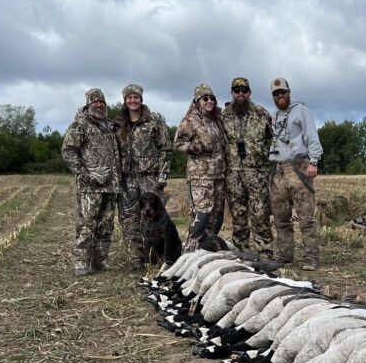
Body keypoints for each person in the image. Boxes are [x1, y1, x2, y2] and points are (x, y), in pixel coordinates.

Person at [62, 88, 122, 276]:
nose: (99, 105)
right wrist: (86, 175)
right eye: (95, 102)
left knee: (106, 226)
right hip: (90, 187)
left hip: (111, 186)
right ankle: (81, 262)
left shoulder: (109, 127)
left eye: (102, 102)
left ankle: (99, 262)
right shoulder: (79, 125)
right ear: (88, 104)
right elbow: (68, 151)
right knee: (87, 225)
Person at [115, 83, 172, 270]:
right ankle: (136, 259)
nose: (133, 100)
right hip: (127, 178)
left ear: (141, 99)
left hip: (150, 177)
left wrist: (162, 175)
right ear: (125, 100)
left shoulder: (154, 121)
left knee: (153, 218)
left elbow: (166, 148)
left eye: (136, 97)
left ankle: (158, 257)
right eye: (129, 97)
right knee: (129, 219)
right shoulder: (117, 125)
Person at [268, 77, 323, 270]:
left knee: (306, 216)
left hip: (299, 166)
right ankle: (285, 255)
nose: (279, 96)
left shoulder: (301, 111)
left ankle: (310, 257)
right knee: (281, 217)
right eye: (275, 94)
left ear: (289, 92)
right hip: (278, 170)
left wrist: (313, 161)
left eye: (282, 92)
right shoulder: (275, 117)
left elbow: (312, 136)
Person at [221, 76, 274, 260]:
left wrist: (263, 154)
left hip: (257, 172)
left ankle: (265, 253)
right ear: (232, 93)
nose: (241, 94)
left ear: (250, 93)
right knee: (238, 216)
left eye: (244, 90)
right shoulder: (223, 116)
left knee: (260, 214)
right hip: (233, 173)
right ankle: (241, 253)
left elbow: (272, 138)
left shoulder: (262, 114)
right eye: (237, 91)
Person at [173, 83, 228, 251]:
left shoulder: (216, 120)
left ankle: (205, 253)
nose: (209, 101)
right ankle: (189, 253)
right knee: (201, 216)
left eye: (212, 98)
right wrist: (198, 146)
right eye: (205, 98)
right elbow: (178, 143)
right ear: (197, 101)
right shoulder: (190, 120)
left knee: (216, 218)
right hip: (200, 178)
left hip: (218, 176)